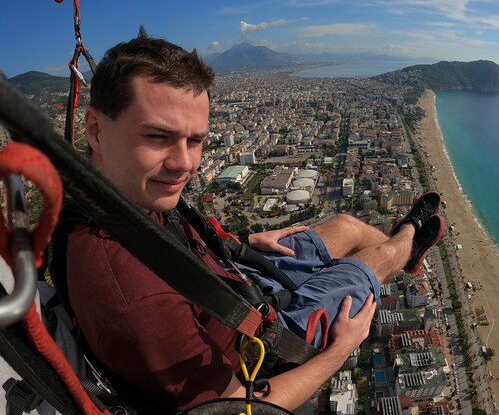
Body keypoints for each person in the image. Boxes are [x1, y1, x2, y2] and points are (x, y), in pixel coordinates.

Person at [66, 32, 444, 412]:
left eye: (195, 140)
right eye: (157, 136)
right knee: (374, 259)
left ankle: (404, 258)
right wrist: (339, 352)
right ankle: (407, 240)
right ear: (96, 129)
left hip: (236, 279)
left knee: (346, 225)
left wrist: (243, 239)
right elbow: (237, 408)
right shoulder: (137, 298)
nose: (184, 163)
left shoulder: (117, 200)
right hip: (269, 347)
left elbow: (180, 241)